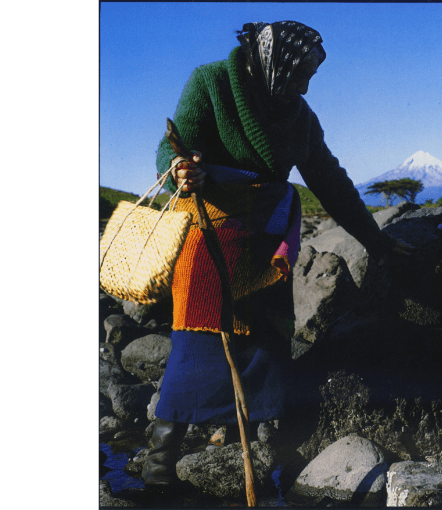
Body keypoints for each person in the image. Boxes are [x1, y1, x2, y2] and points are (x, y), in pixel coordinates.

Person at [142, 21, 412, 489]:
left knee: (266, 342)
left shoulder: (299, 117)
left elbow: (330, 182)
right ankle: (159, 464)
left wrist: (376, 239)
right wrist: (181, 169)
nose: (304, 86)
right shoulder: (211, 82)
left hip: (267, 241)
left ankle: (249, 444)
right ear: (273, 62)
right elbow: (173, 145)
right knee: (198, 343)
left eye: (310, 77)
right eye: (298, 74)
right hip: (211, 232)